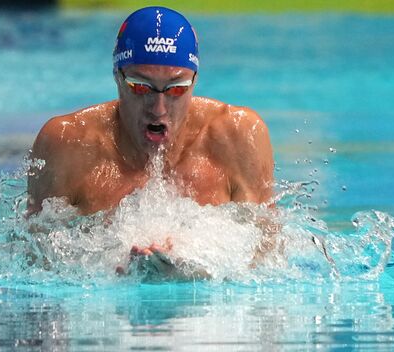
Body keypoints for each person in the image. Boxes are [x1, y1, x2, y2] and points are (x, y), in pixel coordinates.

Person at [27, 6, 274, 278]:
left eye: (176, 89)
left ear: (195, 81)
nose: (158, 108)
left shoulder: (237, 137)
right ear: (117, 77)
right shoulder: (69, 144)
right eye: (141, 87)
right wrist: (108, 274)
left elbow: (268, 258)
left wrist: (199, 274)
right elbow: (29, 261)